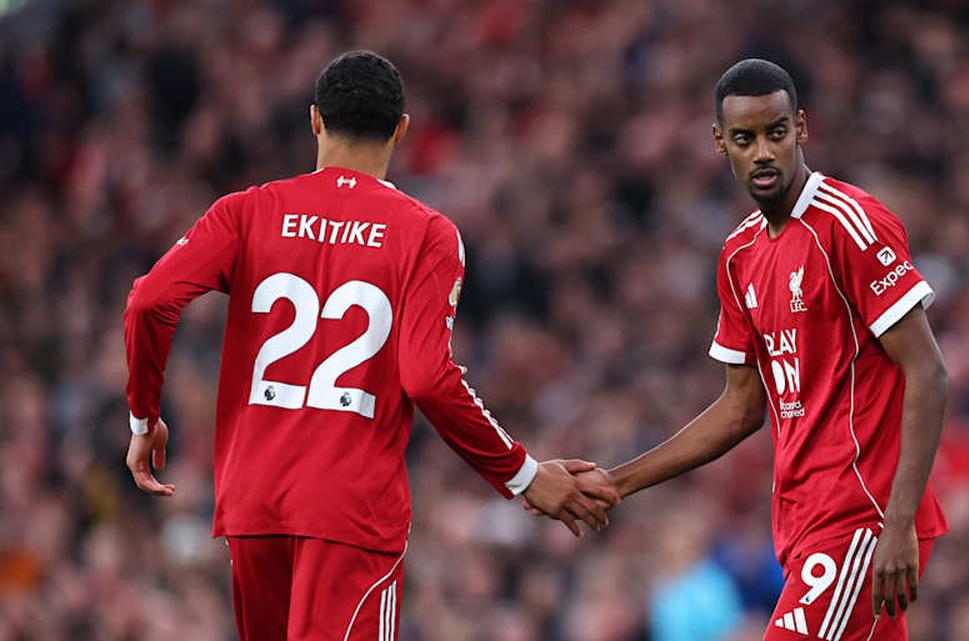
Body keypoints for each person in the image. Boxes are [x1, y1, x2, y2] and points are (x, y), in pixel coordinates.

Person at [122, 51, 618, 641]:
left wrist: (144, 416)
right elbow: (429, 378)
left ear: (314, 120)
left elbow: (149, 301)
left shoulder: (247, 211)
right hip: (350, 514)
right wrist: (524, 475)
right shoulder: (426, 234)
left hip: (253, 506)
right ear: (401, 129)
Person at [544, 59, 950, 640]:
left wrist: (900, 522)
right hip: (801, 524)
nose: (763, 152)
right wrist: (618, 481)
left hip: (862, 516)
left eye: (776, 133)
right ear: (721, 142)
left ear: (801, 129)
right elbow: (741, 407)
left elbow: (928, 372)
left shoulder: (851, 225)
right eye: (745, 138)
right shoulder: (739, 255)